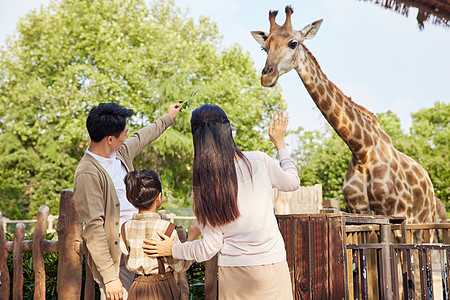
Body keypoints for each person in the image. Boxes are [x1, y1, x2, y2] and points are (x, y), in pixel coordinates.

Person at [143, 104, 300, 299]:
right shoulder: (259, 161)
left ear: (197, 140)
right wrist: (280, 144)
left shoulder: (206, 185)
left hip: (234, 276)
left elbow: (209, 248)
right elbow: (293, 182)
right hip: (272, 267)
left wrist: (173, 249)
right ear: (229, 129)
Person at [73, 102, 181, 300]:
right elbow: (93, 228)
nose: (126, 136)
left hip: (137, 250)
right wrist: (109, 277)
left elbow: (142, 137)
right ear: (110, 139)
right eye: (124, 133)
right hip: (116, 261)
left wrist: (168, 118)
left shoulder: (119, 154)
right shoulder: (88, 173)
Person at [120, 169, 200, 300]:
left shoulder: (125, 228)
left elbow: (127, 258)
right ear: (159, 197)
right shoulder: (166, 229)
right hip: (162, 289)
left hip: (136, 288)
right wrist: (192, 237)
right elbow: (181, 266)